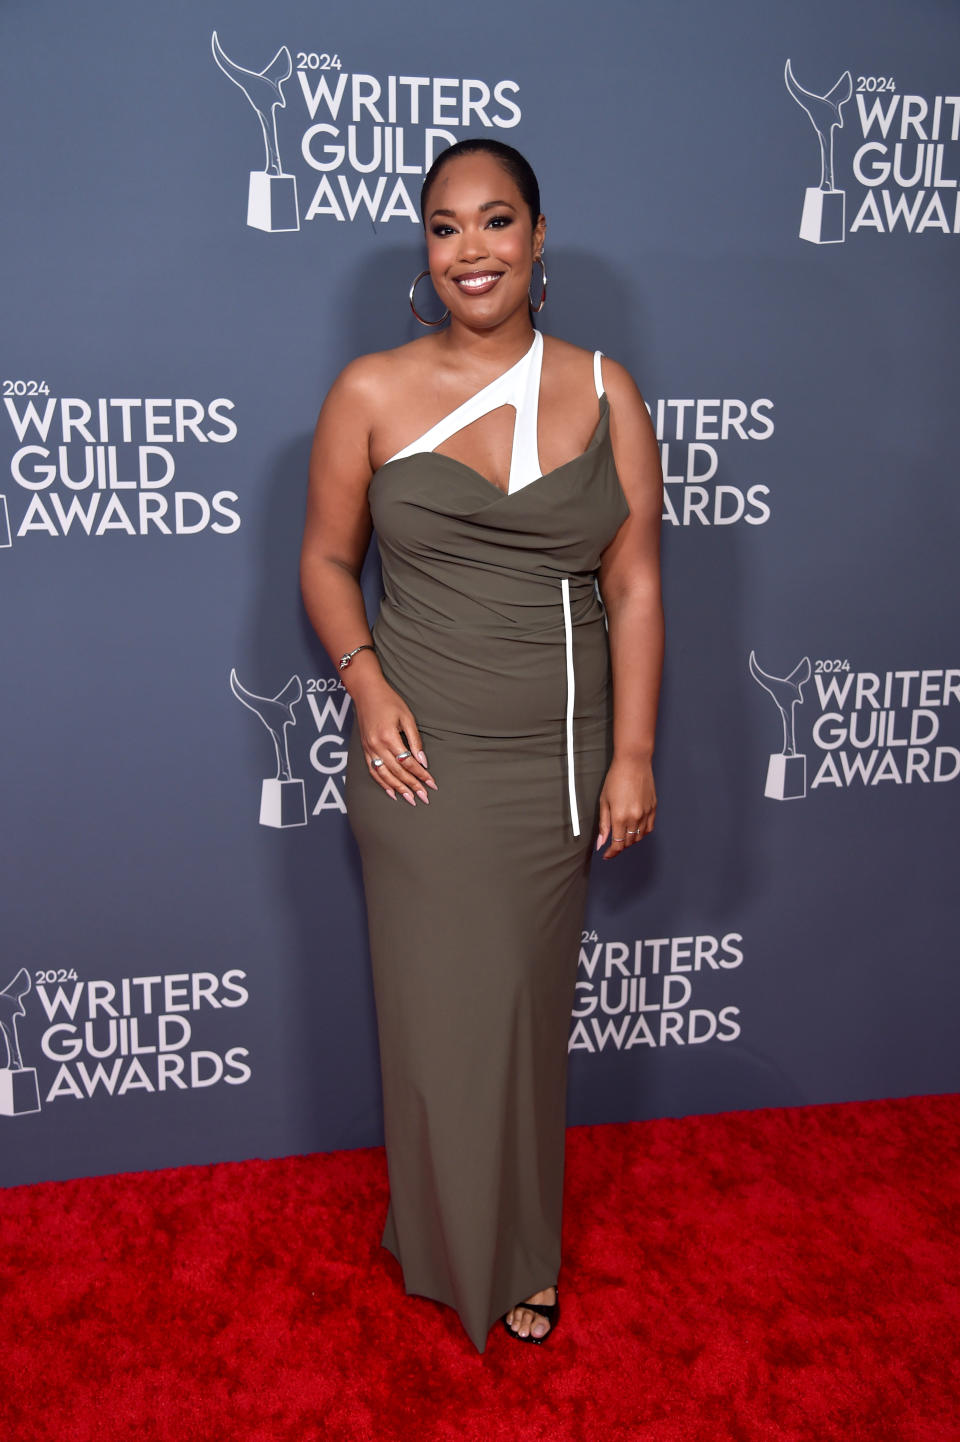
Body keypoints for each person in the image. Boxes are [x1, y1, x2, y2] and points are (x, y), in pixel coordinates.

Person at [299, 138, 664, 1353]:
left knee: (515, 1010)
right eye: (447, 227)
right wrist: (365, 682)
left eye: (497, 221)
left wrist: (634, 751)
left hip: (555, 752)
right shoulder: (368, 389)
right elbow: (324, 560)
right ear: (425, 246)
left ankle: (512, 1242)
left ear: (540, 237)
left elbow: (640, 585)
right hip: (419, 748)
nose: (473, 250)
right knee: (432, 1009)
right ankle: (450, 1234)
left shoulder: (608, 390)